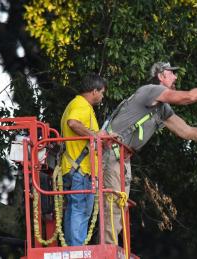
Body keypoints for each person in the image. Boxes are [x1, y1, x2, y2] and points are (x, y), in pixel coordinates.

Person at [102, 61, 197, 244]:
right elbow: (189, 97)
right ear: (161, 76)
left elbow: (187, 131)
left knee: (119, 204)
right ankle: (108, 250)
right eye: (172, 73)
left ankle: (111, 247)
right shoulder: (151, 90)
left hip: (121, 158)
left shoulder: (161, 108)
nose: (176, 77)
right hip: (111, 153)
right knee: (114, 204)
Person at [60, 73, 108, 246]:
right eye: (102, 92)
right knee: (80, 209)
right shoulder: (81, 105)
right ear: (94, 91)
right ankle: (77, 250)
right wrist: (95, 135)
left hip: (76, 168)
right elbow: (73, 123)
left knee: (75, 209)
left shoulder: (76, 104)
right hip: (80, 170)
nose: (102, 96)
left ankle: (74, 247)